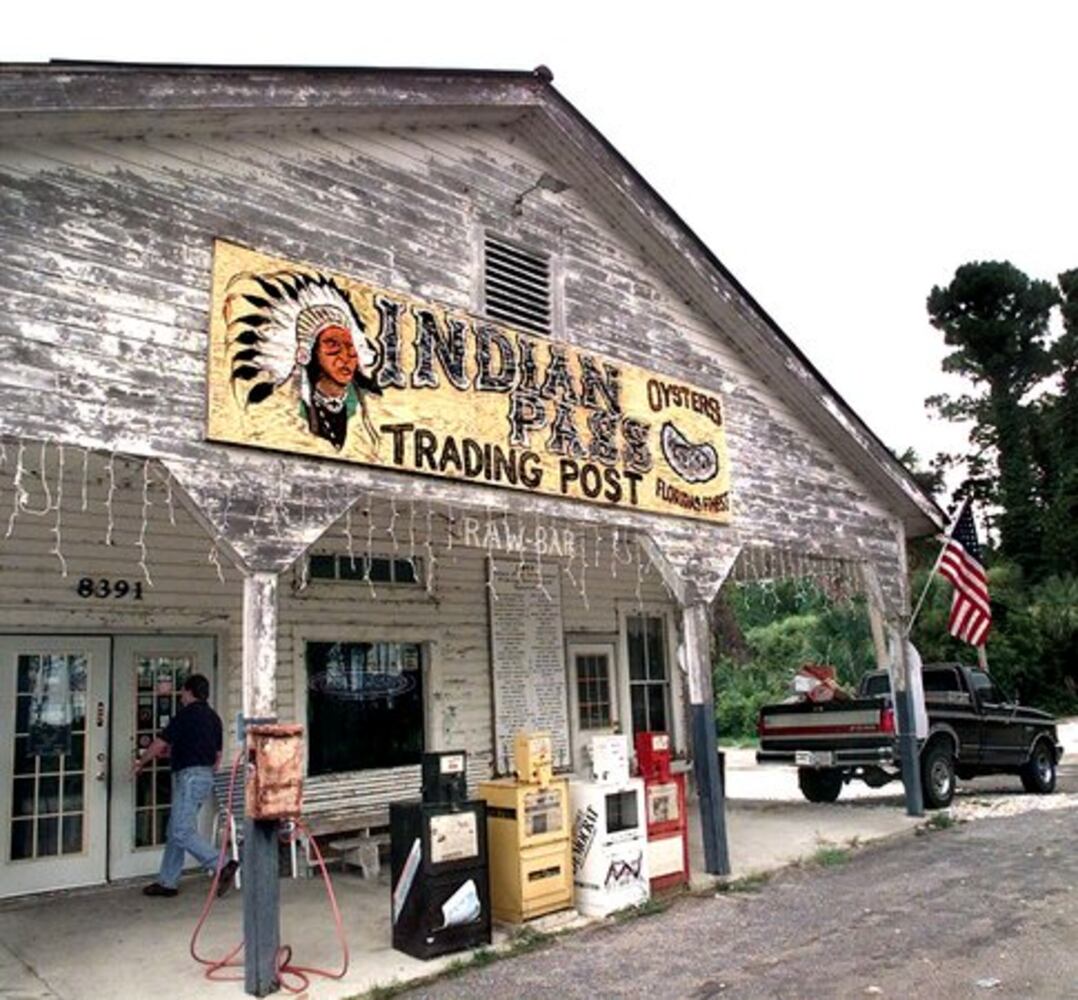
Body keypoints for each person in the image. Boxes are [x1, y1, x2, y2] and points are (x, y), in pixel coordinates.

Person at [133, 673, 238, 897]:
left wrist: (141, 762)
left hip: (189, 777)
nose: (181, 695)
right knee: (175, 828)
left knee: (181, 830)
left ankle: (222, 864)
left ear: (189, 692)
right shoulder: (214, 718)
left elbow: (159, 743)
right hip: (205, 776)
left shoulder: (185, 715)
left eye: (182, 691)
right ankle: (167, 882)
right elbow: (217, 756)